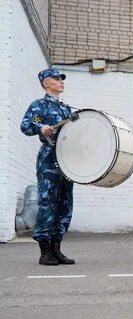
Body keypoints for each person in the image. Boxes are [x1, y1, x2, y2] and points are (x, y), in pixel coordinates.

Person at [21, 68, 79, 266]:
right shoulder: (39, 106)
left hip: (66, 161)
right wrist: (40, 127)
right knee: (48, 203)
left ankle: (57, 248)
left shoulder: (66, 109)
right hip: (49, 161)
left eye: (61, 78)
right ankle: (45, 251)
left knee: (65, 205)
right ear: (46, 83)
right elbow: (25, 125)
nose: (61, 81)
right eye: (56, 79)